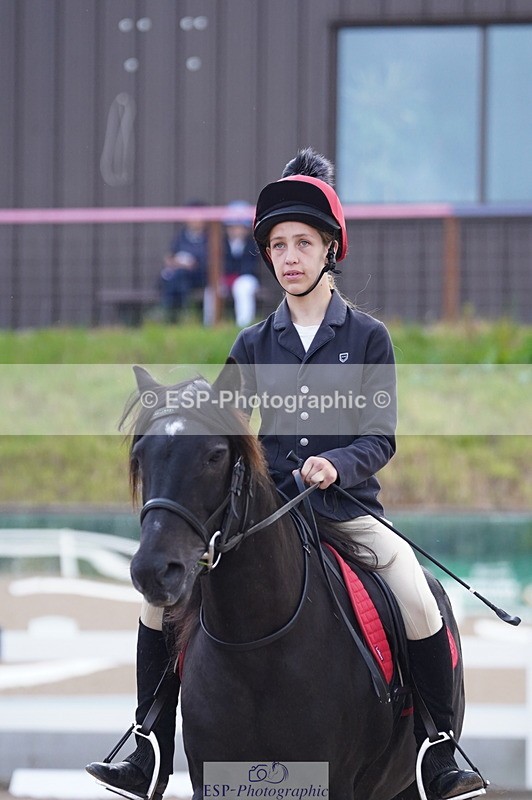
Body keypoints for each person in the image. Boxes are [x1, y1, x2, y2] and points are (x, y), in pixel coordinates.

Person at [86, 149, 485, 800]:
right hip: (264, 516)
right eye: (278, 245)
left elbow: (379, 436)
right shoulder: (252, 344)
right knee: (157, 603)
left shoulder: (367, 337)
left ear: (331, 249)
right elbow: (219, 429)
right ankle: (148, 747)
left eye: (303, 242)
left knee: (416, 595)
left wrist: (337, 464)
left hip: (347, 511)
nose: (290, 256)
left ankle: (439, 751)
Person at [203, 201, 260, 327]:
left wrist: (237, 276)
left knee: (242, 287)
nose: (236, 230)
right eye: (232, 227)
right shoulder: (221, 243)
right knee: (212, 289)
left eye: (240, 227)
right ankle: (210, 324)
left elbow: (251, 266)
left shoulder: (253, 244)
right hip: (227, 277)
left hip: (246, 277)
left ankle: (244, 324)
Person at [160, 202, 208, 323]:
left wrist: (192, 264)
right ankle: (184, 313)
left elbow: (209, 260)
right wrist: (176, 262)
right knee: (178, 278)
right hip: (181, 275)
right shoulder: (181, 236)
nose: (194, 220)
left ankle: (169, 313)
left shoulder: (210, 237)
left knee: (176, 278)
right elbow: (169, 256)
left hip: (200, 276)